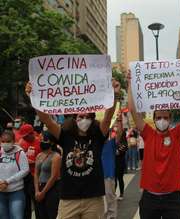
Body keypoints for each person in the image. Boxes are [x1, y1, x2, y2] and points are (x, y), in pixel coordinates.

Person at [25, 79, 121, 219]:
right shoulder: (65, 136)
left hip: (93, 199)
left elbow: (107, 117)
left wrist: (114, 94)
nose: (84, 119)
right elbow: (47, 120)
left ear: (93, 119)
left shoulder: (97, 136)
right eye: (81, 116)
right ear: (74, 118)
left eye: (88, 117)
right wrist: (33, 97)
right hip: (68, 199)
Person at [128, 70, 180, 219]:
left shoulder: (177, 134)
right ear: (154, 119)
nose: (161, 120)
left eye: (165, 117)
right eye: (158, 117)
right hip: (150, 198)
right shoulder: (148, 133)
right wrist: (130, 84)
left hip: (173, 199)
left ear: (170, 120)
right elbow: (133, 110)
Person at [0, 130, 30, 219]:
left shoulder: (20, 153)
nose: (5, 143)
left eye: (8, 141)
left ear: (13, 141)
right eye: (3, 141)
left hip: (16, 192)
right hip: (1, 193)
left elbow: (25, 170)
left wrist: (7, 181)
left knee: (16, 217)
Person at [34, 131, 61, 219]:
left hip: (51, 189)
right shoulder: (39, 155)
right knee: (41, 214)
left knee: (51, 214)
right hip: (40, 187)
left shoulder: (56, 156)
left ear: (52, 142)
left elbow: (54, 176)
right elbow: (36, 174)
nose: (41, 141)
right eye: (40, 139)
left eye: (44, 140)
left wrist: (43, 192)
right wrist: (37, 191)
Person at [17, 124, 41, 219]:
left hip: (35, 175)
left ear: (32, 134)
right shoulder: (21, 143)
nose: (24, 138)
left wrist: (34, 162)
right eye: (23, 137)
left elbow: (44, 159)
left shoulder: (39, 143)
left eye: (26, 136)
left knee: (37, 201)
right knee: (25, 201)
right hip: (24, 175)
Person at [102, 118, 123, 219]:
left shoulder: (111, 144)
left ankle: (112, 216)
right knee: (98, 199)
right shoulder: (95, 144)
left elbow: (119, 133)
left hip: (108, 174)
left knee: (110, 196)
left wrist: (118, 120)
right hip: (97, 175)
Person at [115, 127, 128, 201]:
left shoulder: (123, 141)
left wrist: (118, 151)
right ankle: (113, 193)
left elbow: (125, 148)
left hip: (120, 162)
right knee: (114, 179)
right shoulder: (113, 139)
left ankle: (121, 193)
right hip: (113, 162)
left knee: (120, 178)